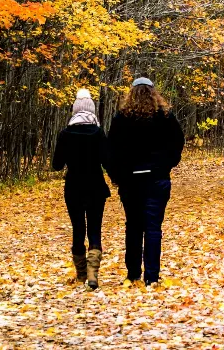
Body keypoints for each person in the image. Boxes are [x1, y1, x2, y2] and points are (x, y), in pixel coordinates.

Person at [108, 78, 184, 286]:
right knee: (153, 227)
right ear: (153, 92)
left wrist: (118, 176)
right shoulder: (165, 116)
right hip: (157, 179)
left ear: (131, 94)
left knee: (133, 226)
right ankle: (152, 276)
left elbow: (111, 150)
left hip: (131, 180)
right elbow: (178, 142)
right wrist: (166, 164)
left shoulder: (121, 118)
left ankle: (133, 274)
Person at [52, 89, 110, 289]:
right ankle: (93, 274)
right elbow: (107, 161)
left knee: (78, 229)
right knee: (95, 229)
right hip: (96, 187)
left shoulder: (65, 134)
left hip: (74, 188)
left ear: (74, 110)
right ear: (92, 111)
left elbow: (56, 165)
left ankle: (81, 275)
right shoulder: (98, 133)